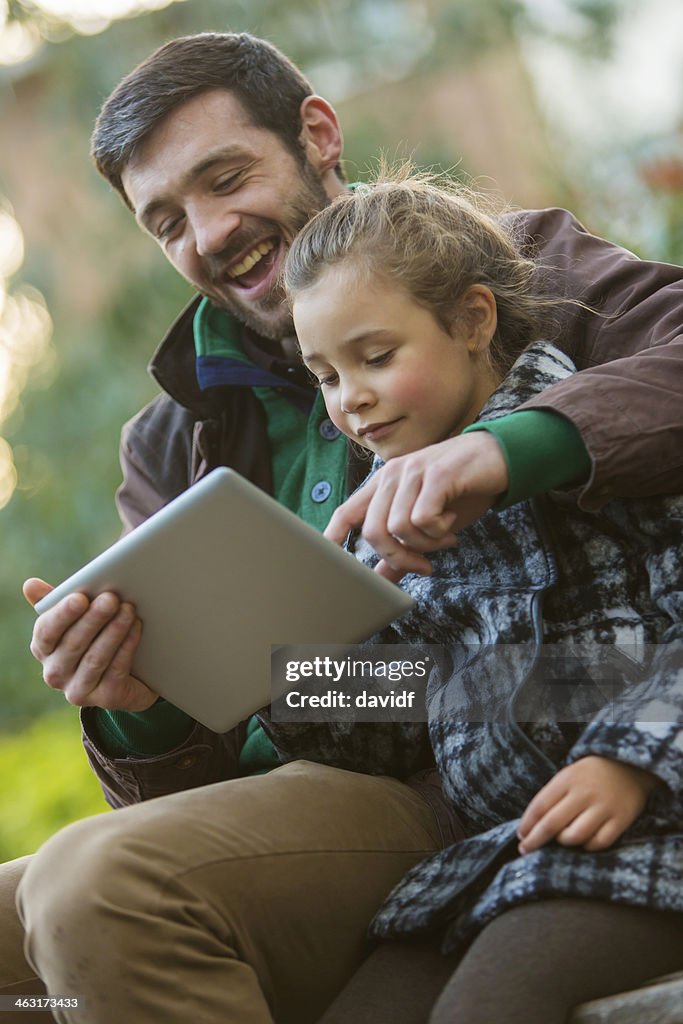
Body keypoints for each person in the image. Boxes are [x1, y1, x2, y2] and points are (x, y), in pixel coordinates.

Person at [1, 29, 682, 1024]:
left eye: (225, 176)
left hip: (477, 787)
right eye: (165, 220)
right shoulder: (169, 439)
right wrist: (144, 700)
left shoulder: (510, 269)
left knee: (93, 882)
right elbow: (407, 685)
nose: (208, 231)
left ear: (316, 133)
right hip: (383, 748)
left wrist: (506, 450)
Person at [279, 170, 683, 1024]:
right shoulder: (385, 523)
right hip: (499, 858)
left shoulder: (600, 452)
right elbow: (382, 734)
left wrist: (632, 761)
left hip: (650, 826)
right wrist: (311, 643)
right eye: (323, 375)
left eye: (375, 357)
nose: (349, 397)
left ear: (471, 320)